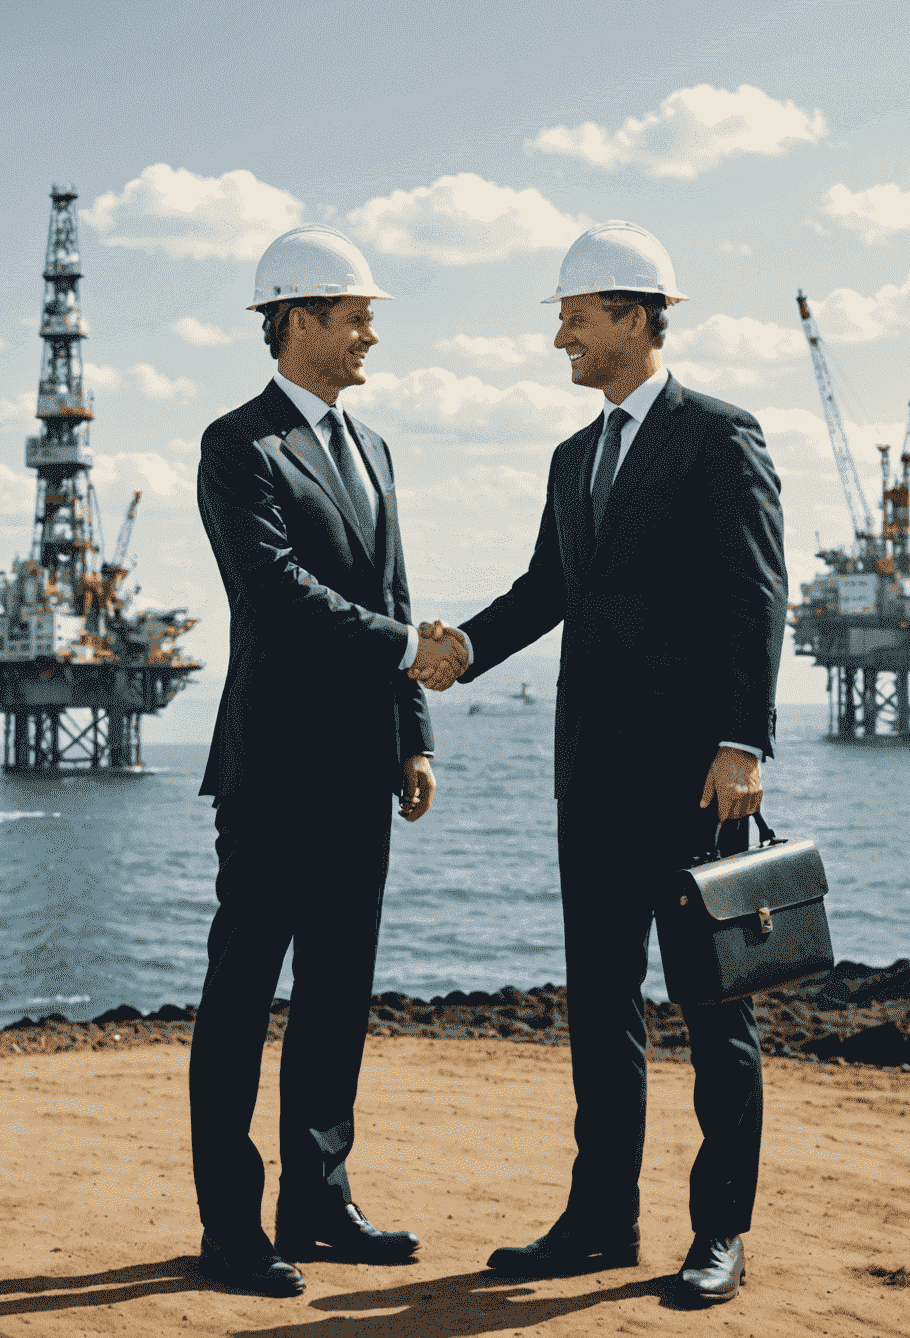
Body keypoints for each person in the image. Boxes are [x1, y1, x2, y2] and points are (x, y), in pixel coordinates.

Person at [413, 222, 786, 1307]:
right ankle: (598, 1221)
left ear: (633, 314)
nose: (560, 337)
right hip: (593, 779)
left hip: (698, 778)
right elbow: (546, 590)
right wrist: (464, 653)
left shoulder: (721, 436)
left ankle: (719, 1231)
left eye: (573, 316)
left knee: (717, 1010)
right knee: (601, 1005)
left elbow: (759, 594)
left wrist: (742, 740)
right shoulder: (572, 458)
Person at [190, 223, 465, 1298]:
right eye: (355, 319)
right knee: (242, 998)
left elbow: (393, 590)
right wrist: (412, 652)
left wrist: (414, 734)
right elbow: (276, 597)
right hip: (271, 775)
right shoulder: (237, 446)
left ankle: (317, 1201)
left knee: (339, 994)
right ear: (294, 320)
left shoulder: (373, 447)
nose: (369, 338)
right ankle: (231, 1227)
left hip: (360, 770)